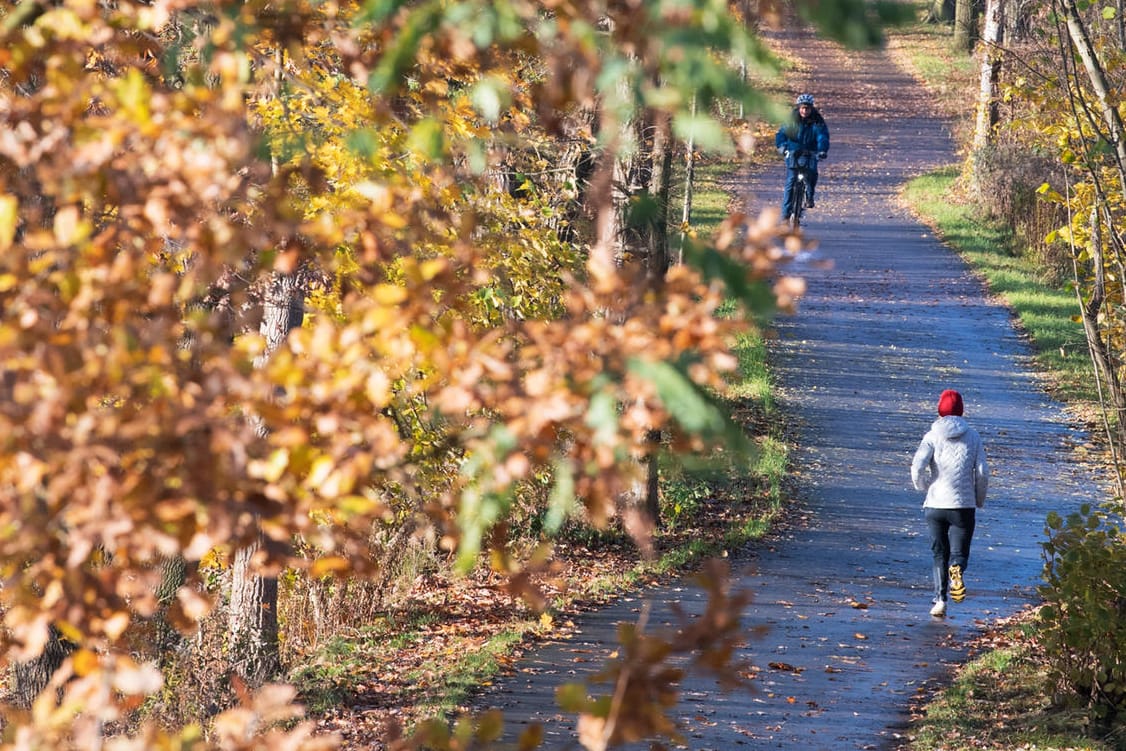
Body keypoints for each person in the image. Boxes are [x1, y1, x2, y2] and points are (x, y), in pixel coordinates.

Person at [910, 389, 989, 617]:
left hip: (935, 504)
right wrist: (978, 499)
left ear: (940, 409)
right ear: (961, 410)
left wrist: (924, 486)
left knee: (938, 554)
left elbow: (917, 466)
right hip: (963, 506)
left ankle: (940, 600)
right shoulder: (973, 436)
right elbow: (983, 473)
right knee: (959, 554)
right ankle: (957, 569)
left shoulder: (932, 436)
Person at [775, 93, 830, 217]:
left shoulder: (817, 121)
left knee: (812, 174)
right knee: (790, 181)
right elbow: (781, 134)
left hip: (810, 152)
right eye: (802, 108)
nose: (805, 111)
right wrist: (782, 146)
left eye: (807, 108)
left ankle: (809, 197)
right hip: (793, 152)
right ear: (798, 108)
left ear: (811, 108)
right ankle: (785, 215)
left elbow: (822, 137)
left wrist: (822, 150)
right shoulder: (791, 120)